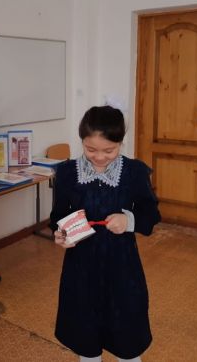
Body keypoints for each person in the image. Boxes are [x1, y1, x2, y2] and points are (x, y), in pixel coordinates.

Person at [50, 105, 161, 362]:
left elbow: (151, 215)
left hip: (122, 268)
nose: (99, 157)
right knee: (85, 336)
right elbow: (57, 217)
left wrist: (128, 220)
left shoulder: (134, 172)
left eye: (109, 151)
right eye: (90, 149)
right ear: (82, 141)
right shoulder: (67, 173)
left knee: (127, 336)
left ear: (121, 143)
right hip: (81, 269)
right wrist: (61, 233)